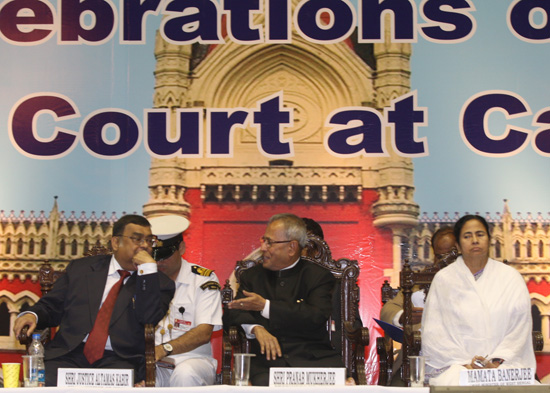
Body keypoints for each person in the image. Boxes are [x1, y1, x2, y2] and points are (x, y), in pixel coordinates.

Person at [13, 214, 175, 386]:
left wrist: (147, 271)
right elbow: (52, 305)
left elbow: (148, 317)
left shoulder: (159, 283)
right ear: (115, 242)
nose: (144, 246)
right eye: (137, 239)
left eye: (149, 241)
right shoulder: (81, 270)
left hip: (119, 360)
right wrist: (32, 315)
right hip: (68, 354)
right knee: (45, 382)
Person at [223, 213, 343, 386]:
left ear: (292, 248)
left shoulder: (318, 276)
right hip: (268, 365)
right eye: (263, 240)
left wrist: (265, 306)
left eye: (269, 242)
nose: (263, 247)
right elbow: (232, 313)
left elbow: (315, 315)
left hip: (313, 361)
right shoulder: (252, 276)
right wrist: (256, 328)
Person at [422, 214, 536, 385]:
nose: (475, 240)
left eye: (480, 234)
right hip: (457, 366)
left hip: (503, 367)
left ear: (489, 240)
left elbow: (519, 329)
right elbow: (435, 332)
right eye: (467, 236)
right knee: (456, 381)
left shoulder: (511, 277)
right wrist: (465, 364)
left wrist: (496, 362)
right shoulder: (444, 279)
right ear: (458, 245)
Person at [148, 215, 222, 387]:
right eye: (155, 256)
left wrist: (164, 349)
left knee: (185, 374)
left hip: (192, 359)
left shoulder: (203, 279)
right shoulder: (143, 279)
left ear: (181, 248)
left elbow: (204, 332)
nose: (159, 262)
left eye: (165, 255)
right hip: (153, 361)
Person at [379, 226, 458, 385]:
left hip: (461, 360)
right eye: (440, 256)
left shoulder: (475, 283)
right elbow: (387, 310)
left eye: (452, 255)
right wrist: (402, 316)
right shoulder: (419, 281)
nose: (445, 261)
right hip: (416, 359)